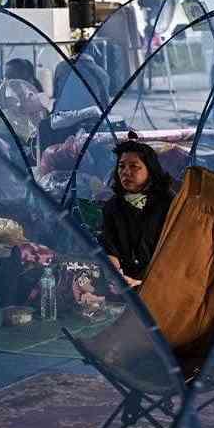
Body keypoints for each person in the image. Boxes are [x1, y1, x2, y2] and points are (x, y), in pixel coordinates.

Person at [100, 136, 174, 288]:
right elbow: (109, 246)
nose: (125, 172)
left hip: (164, 282)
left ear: (150, 170)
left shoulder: (169, 204)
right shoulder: (112, 207)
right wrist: (115, 274)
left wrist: (143, 282)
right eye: (121, 166)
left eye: (134, 166)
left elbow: (176, 251)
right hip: (125, 283)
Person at [53, 38, 111, 111]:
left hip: (63, 116)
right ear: (92, 52)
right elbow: (105, 105)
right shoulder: (101, 73)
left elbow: (56, 94)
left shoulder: (60, 67)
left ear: (73, 51)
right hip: (91, 118)